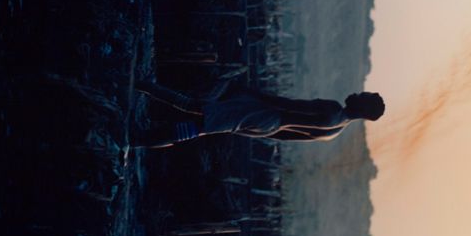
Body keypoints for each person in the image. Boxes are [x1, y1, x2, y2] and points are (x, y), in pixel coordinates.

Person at [133, 80, 384, 148]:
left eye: (365, 96)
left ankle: (142, 88)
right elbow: (286, 138)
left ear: (363, 108)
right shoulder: (335, 131)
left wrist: (252, 93)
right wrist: (259, 130)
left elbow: (287, 105)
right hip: (268, 126)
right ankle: (140, 137)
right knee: (200, 124)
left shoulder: (332, 109)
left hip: (266, 114)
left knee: (197, 111)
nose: (359, 93)